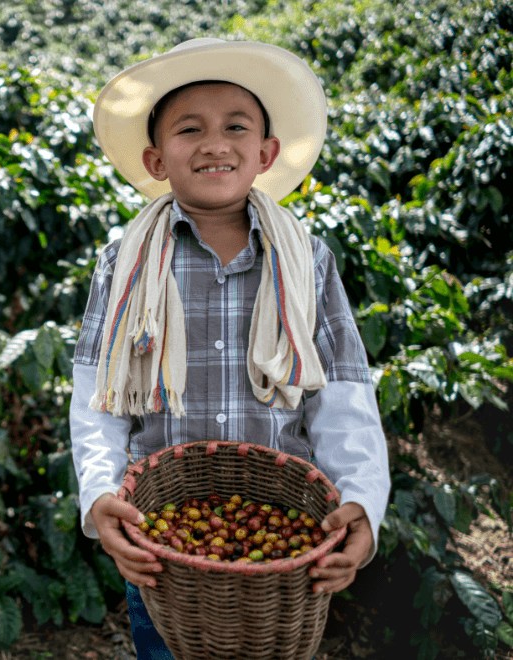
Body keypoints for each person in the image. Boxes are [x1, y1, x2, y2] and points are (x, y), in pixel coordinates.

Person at [69, 38, 392, 659]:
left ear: (266, 153)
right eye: (190, 130)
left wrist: (360, 501)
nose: (215, 143)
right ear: (157, 159)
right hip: (164, 548)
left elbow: (343, 392)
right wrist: (99, 493)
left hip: (286, 548)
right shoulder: (124, 264)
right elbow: (99, 394)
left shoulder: (306, 261)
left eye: (235, 127)